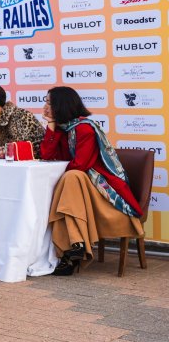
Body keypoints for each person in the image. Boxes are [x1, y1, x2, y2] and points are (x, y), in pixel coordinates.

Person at [42, 86, 144, 276]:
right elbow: (47, 156)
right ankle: (76, 245)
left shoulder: (85, 128)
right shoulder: (63, 128)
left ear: (61, 105)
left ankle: (71, 252)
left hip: (101, 189)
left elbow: (80, 165)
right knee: (71, 181)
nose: (45, 107)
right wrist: (51, 127)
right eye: (45, 101)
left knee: (73, 176)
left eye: (49, 102)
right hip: (78, 192)